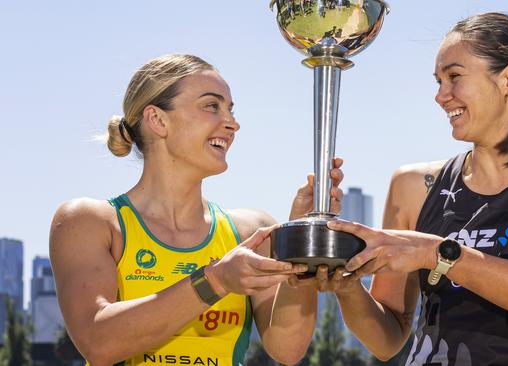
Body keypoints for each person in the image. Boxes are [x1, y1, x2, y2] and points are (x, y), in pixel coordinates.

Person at [311, 12, 508, 366]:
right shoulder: (413, 186)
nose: (441, 96)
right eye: (438, 81)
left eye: (454, 76)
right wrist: (348, 287)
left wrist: (437, 253)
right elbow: (388, 339)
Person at [49, 54, 341, 366]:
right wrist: (215, 281)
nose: (232, 123)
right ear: (158, 120)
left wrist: (301, 239)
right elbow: (98, 341)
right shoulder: (90, 222)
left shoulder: (249, 231)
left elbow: (287, 348)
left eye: (230, 109)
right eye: (212, 106)